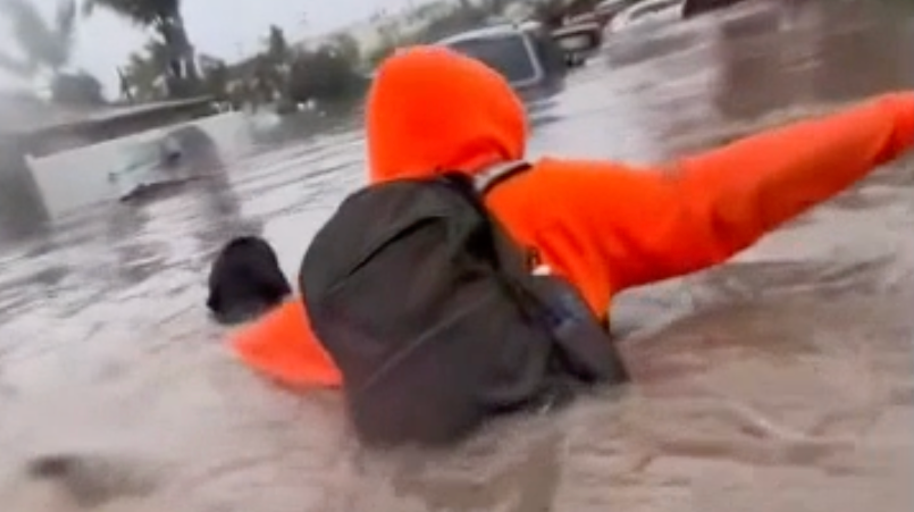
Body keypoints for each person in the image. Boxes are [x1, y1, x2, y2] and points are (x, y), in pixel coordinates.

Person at [228, 46, 914, 389]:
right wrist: (896, 117)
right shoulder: (552, 200)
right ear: (494, 119)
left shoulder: (346, 280)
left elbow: (244, 362)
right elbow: (713, 199)